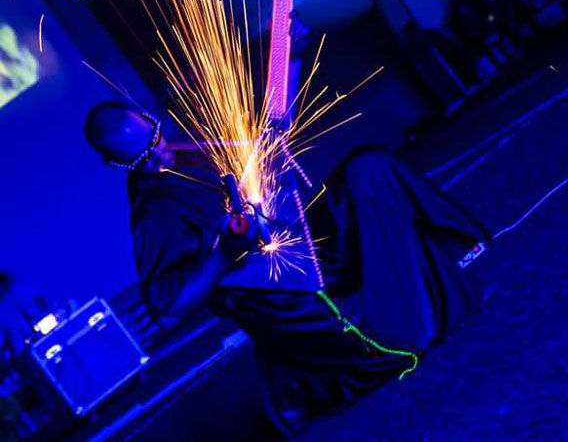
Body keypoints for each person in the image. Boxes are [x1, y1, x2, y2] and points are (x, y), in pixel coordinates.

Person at [85, 101, 488, 433]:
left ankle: (455, 255)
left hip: (298, 240)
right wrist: (225, 253)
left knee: (368, 167)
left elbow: (268, 139)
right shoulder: (153, 215)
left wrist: (290, 55)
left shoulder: (188, 148)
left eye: (154, 138)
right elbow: (168, 308)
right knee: (316, 294)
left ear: (150, 118)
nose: (158, 154)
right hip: (269, 288)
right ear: (115, 164)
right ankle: (395, 332)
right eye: (142, 157)